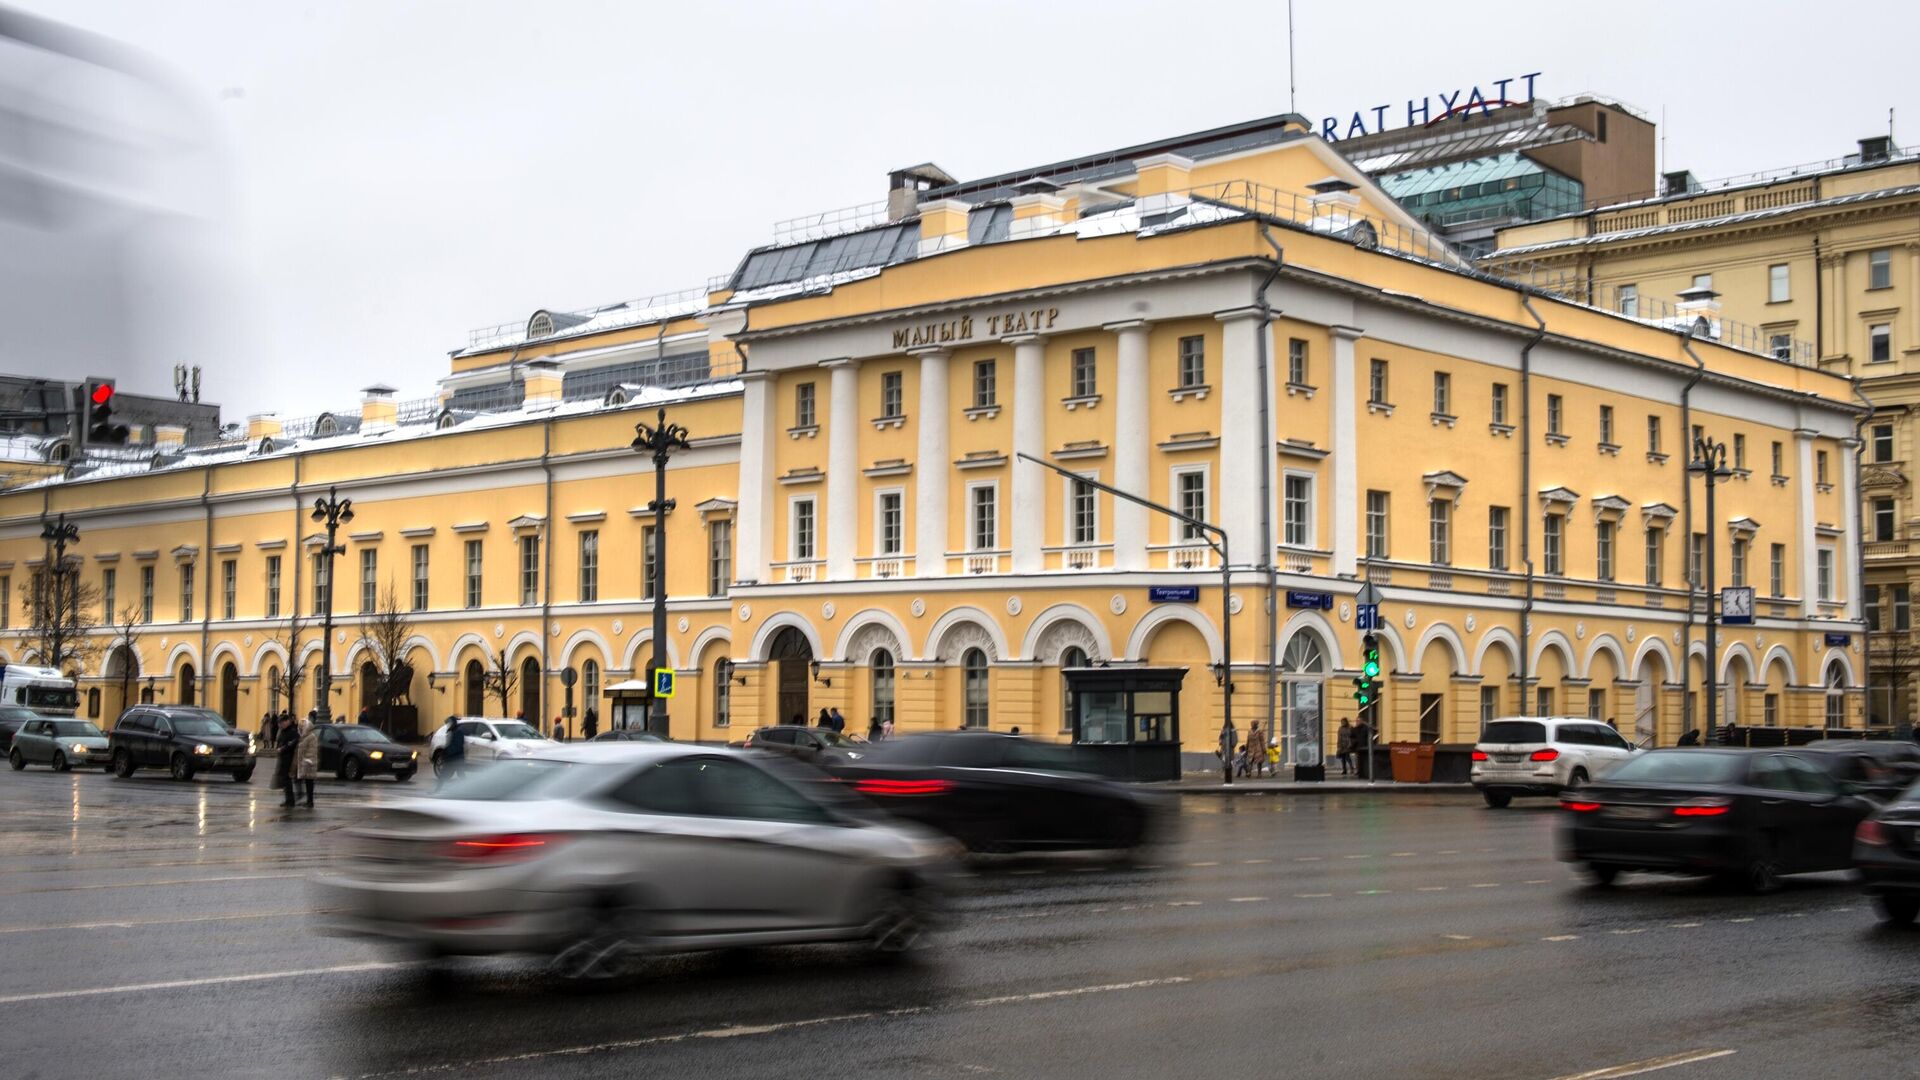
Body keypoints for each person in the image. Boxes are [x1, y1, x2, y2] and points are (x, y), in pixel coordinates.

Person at [274, 714, 299, 807]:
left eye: (282, 722)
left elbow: (293, 743)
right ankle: (288, 799)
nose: (280, 725)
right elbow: (280, 741)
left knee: (287, 779)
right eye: (279, 723)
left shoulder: (292, 731)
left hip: (289, 758)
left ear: (287, 721)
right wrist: (279, 748)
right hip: (283, 758)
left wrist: (283, 748)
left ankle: (290, 800)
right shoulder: (283, 731)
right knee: (284, 779)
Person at [294, 717, 320, 808]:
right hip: (309, 761)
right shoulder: (309, 736)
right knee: (308, 782)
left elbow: (302, 748)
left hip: (308, 762)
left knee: (308, 782)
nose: (300, 728)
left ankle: (309, 801)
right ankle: (309, 800)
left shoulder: (308, 737)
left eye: (302, 727)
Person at [439, 718, 467, 789]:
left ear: (453, 723)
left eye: (449, 723)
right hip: (452, 759)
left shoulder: (458, 732)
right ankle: (437, 789)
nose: (448, 725)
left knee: (460, 775)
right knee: (444, 774)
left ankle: (468, 789)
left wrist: (447, 752)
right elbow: (448, 744)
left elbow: (457, 746)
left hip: (456, 759)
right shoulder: (451, 731)